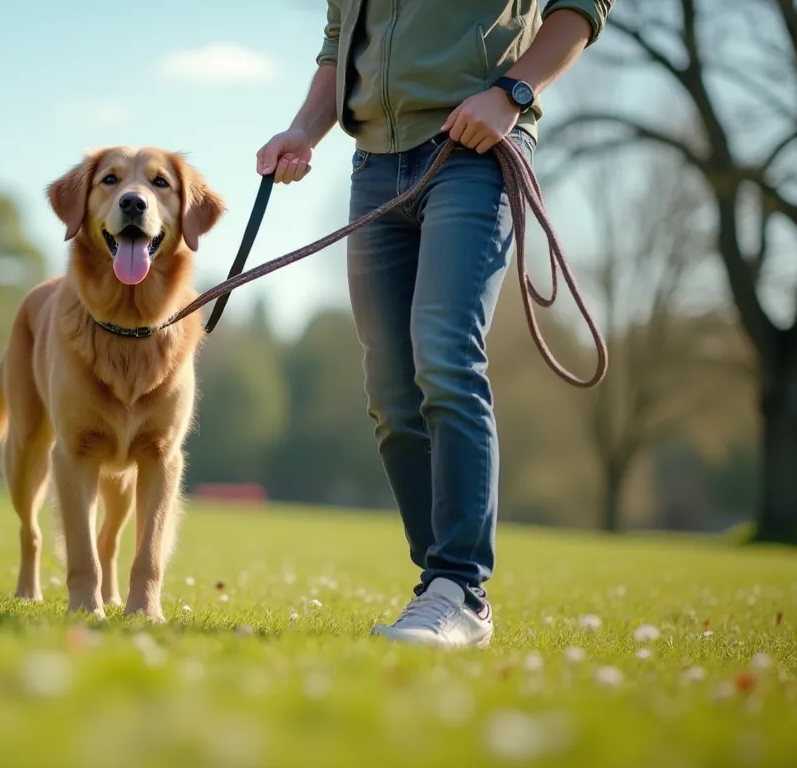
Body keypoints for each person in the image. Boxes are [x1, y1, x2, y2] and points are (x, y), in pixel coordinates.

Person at [257, 1, 613, 648]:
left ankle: (461, 590)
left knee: (445, 354)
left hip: (476, 148)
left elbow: (581, 5)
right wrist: (304, 130)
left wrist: (513, 92)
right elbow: (339, 46)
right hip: (373, 164)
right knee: (391, 393)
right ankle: (438, 589)